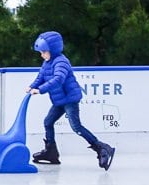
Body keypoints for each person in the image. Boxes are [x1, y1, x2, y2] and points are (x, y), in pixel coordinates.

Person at [25, 30, 115, 170]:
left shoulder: (61, 62)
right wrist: (32, 86)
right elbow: (40, 77)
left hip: (69, 100)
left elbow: (58, 79)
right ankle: (51, 152)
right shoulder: (46, 63)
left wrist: (40, 90)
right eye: (40, 52)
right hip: (59, 101)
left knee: (76, 127)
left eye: (44, 52)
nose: (41, 55)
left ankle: (103, 148)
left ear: (53, 50)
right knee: (48, 122)